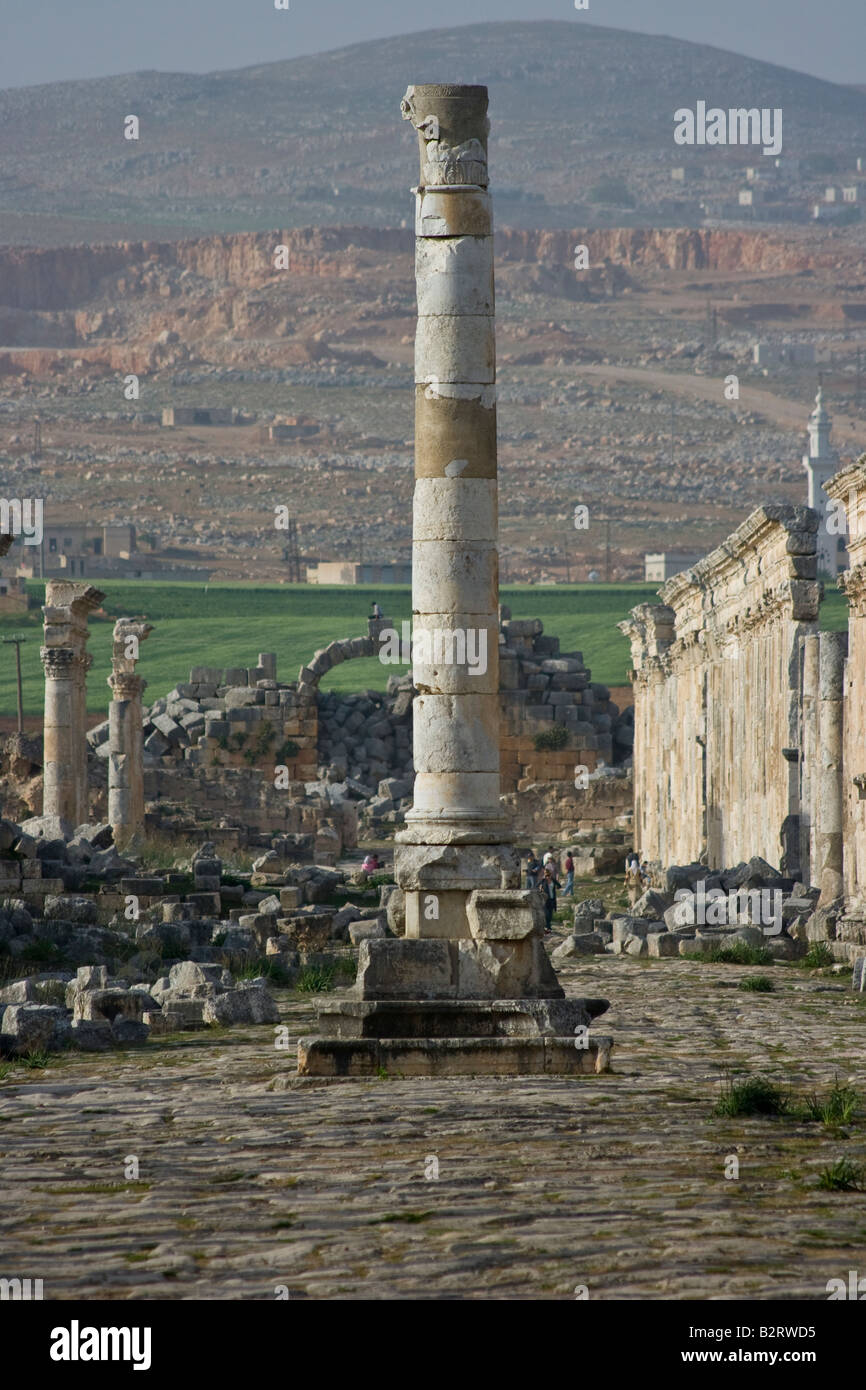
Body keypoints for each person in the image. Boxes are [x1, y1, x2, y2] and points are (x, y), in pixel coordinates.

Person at [538, 862, 561, 933]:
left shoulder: (553, 880)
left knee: (550, 915)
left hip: (552, 899)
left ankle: (548, 927)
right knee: (546, 914)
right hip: (545, 900)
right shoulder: (543, 881)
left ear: (550, 874)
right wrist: (540, 888)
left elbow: (559, 886)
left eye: (548, 875)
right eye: (546, 875)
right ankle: (547, 927)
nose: (547, 877)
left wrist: (556, 885)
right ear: (545, 875)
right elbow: (536, 886)